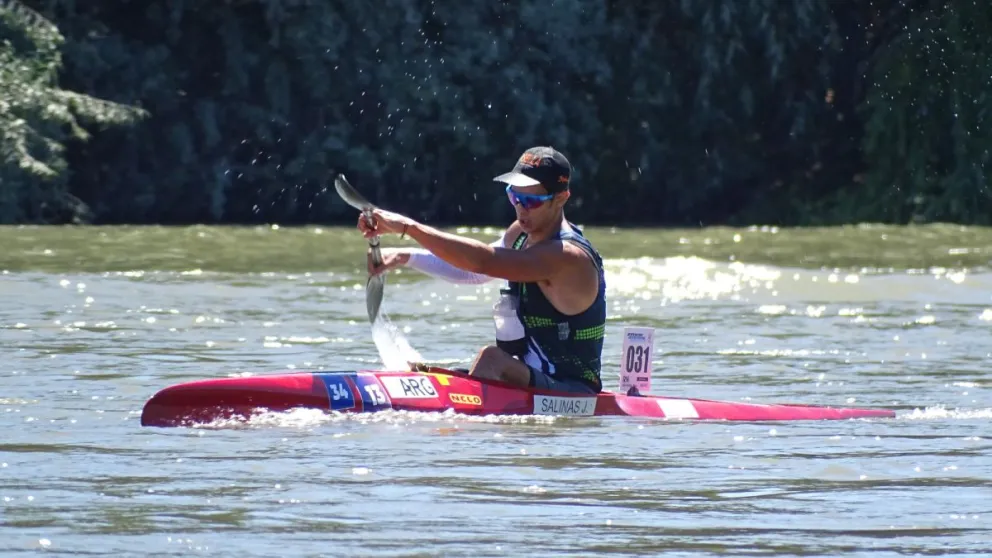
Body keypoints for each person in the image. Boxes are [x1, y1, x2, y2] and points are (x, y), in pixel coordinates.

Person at [356, 146, 606, 394]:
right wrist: (404, 256)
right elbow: (472, 274)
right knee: (427, 370)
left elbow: (483, 261)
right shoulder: (519, 233)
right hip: (529, 377)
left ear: (561, 198)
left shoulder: (567, 256)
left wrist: (409, 228)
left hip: (573, 390)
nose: (521, 208)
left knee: (491, 359)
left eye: (531, 201)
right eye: (514, 197)